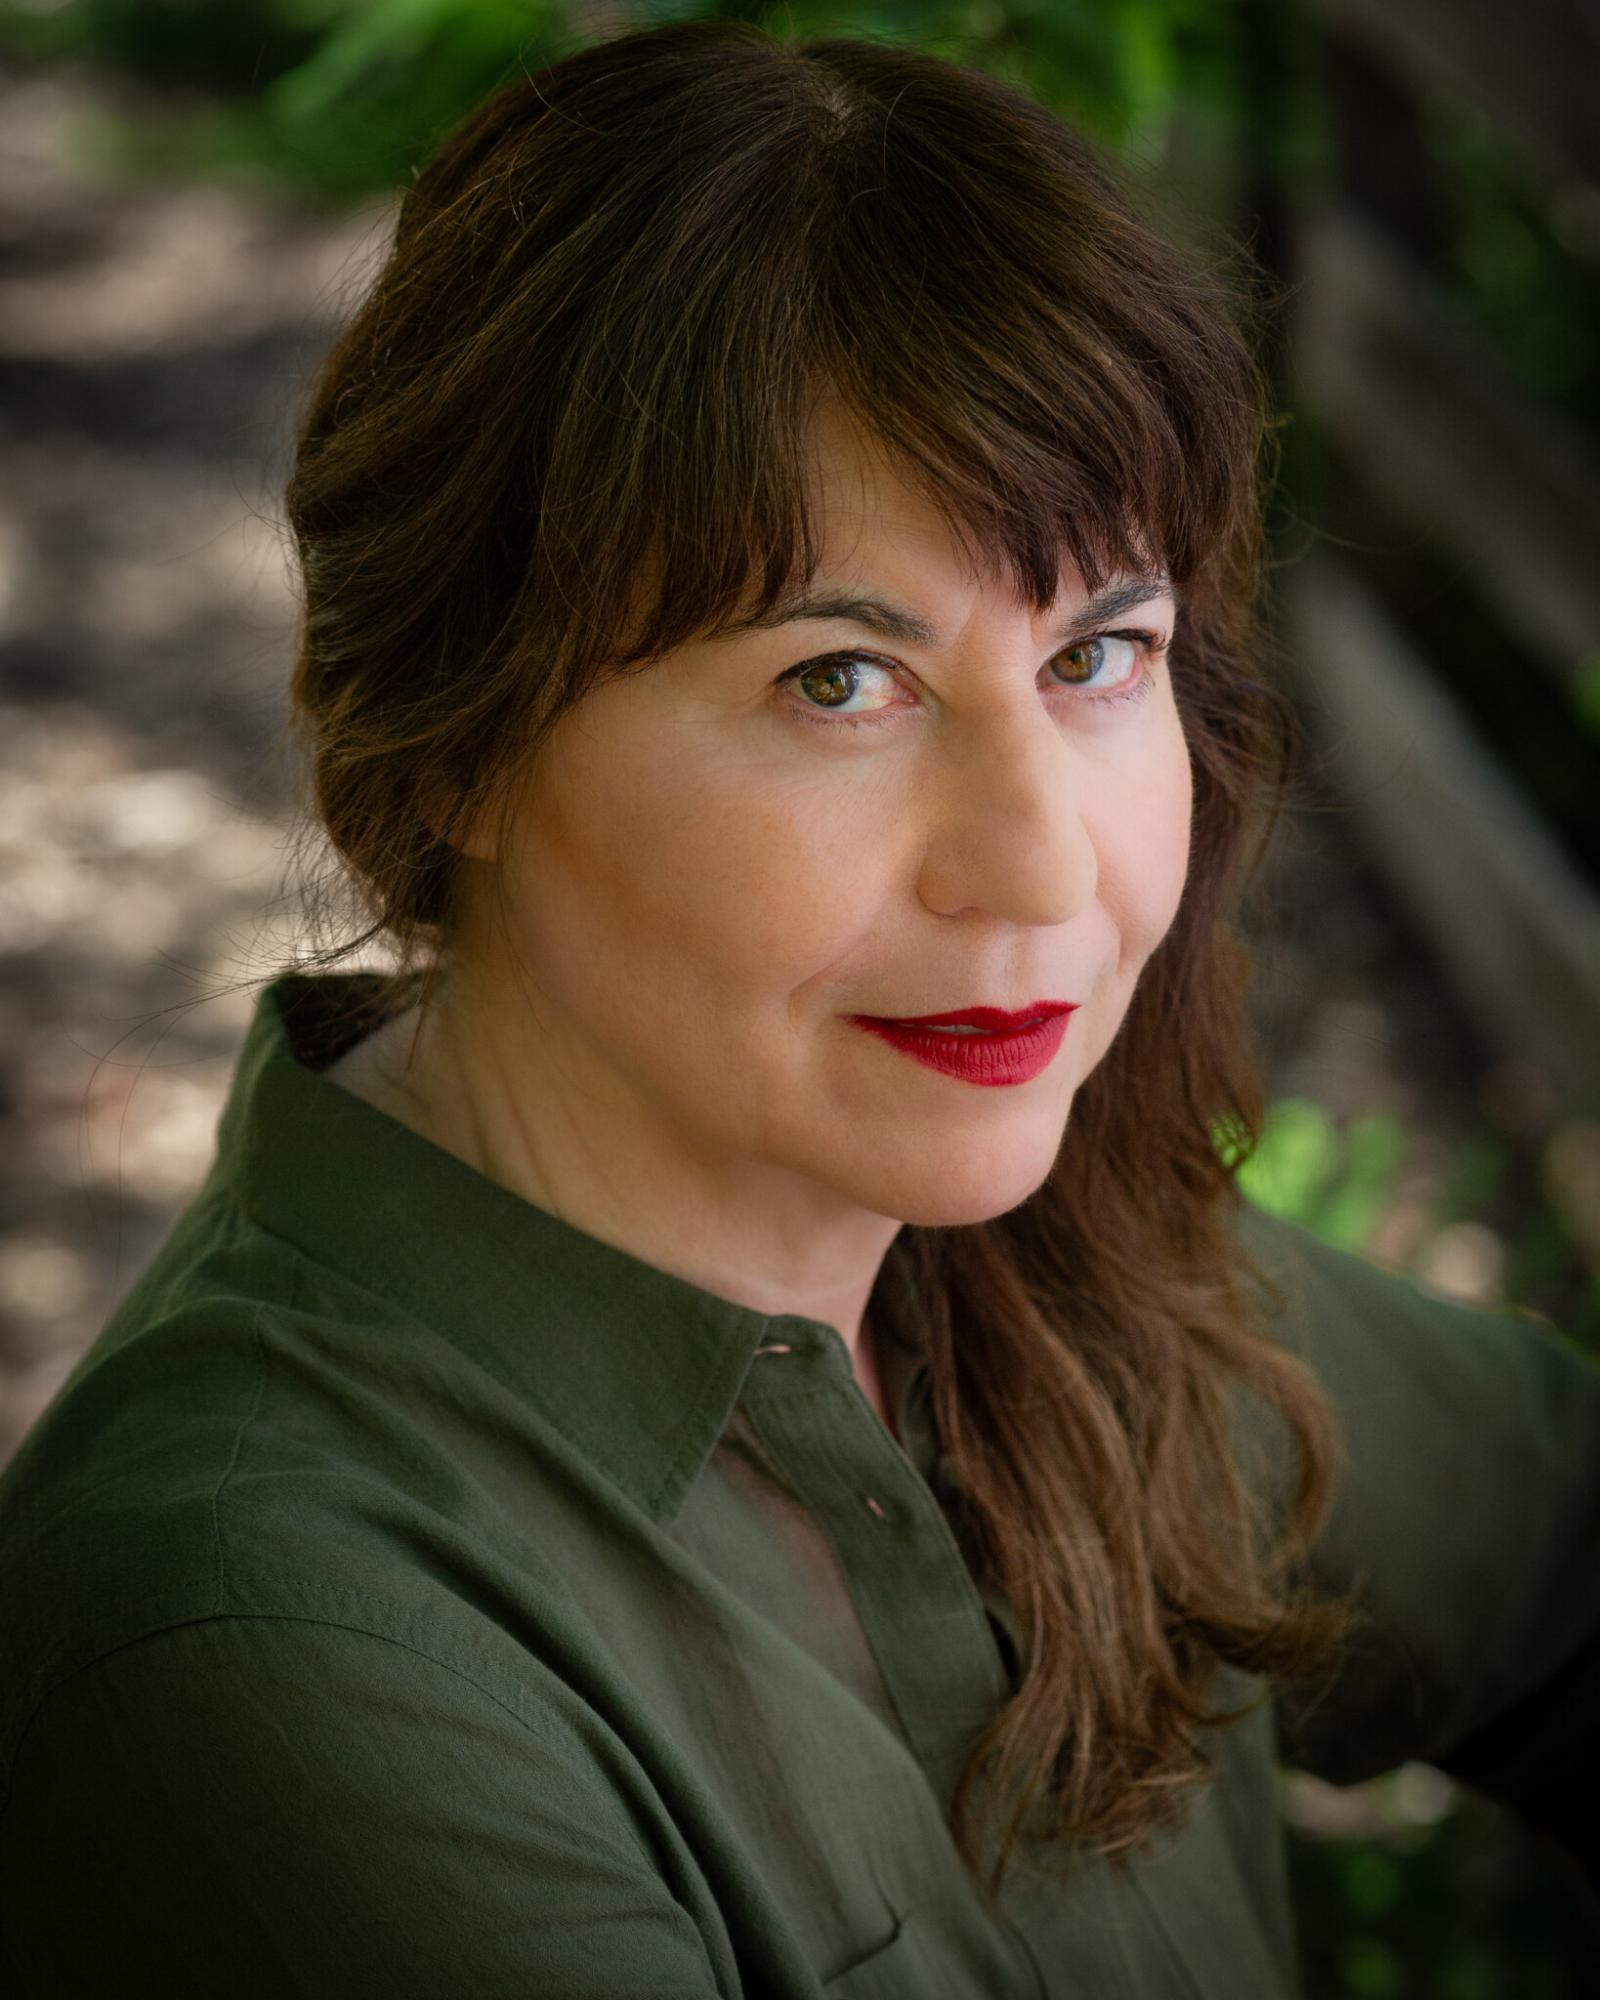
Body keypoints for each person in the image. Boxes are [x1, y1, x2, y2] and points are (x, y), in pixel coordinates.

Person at [1, 17, 1596, 1997]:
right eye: (835, 681)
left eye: (1096, 651)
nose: (1036, 865)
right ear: (457, 746)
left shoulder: (1029, 1267)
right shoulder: (261, 1656)